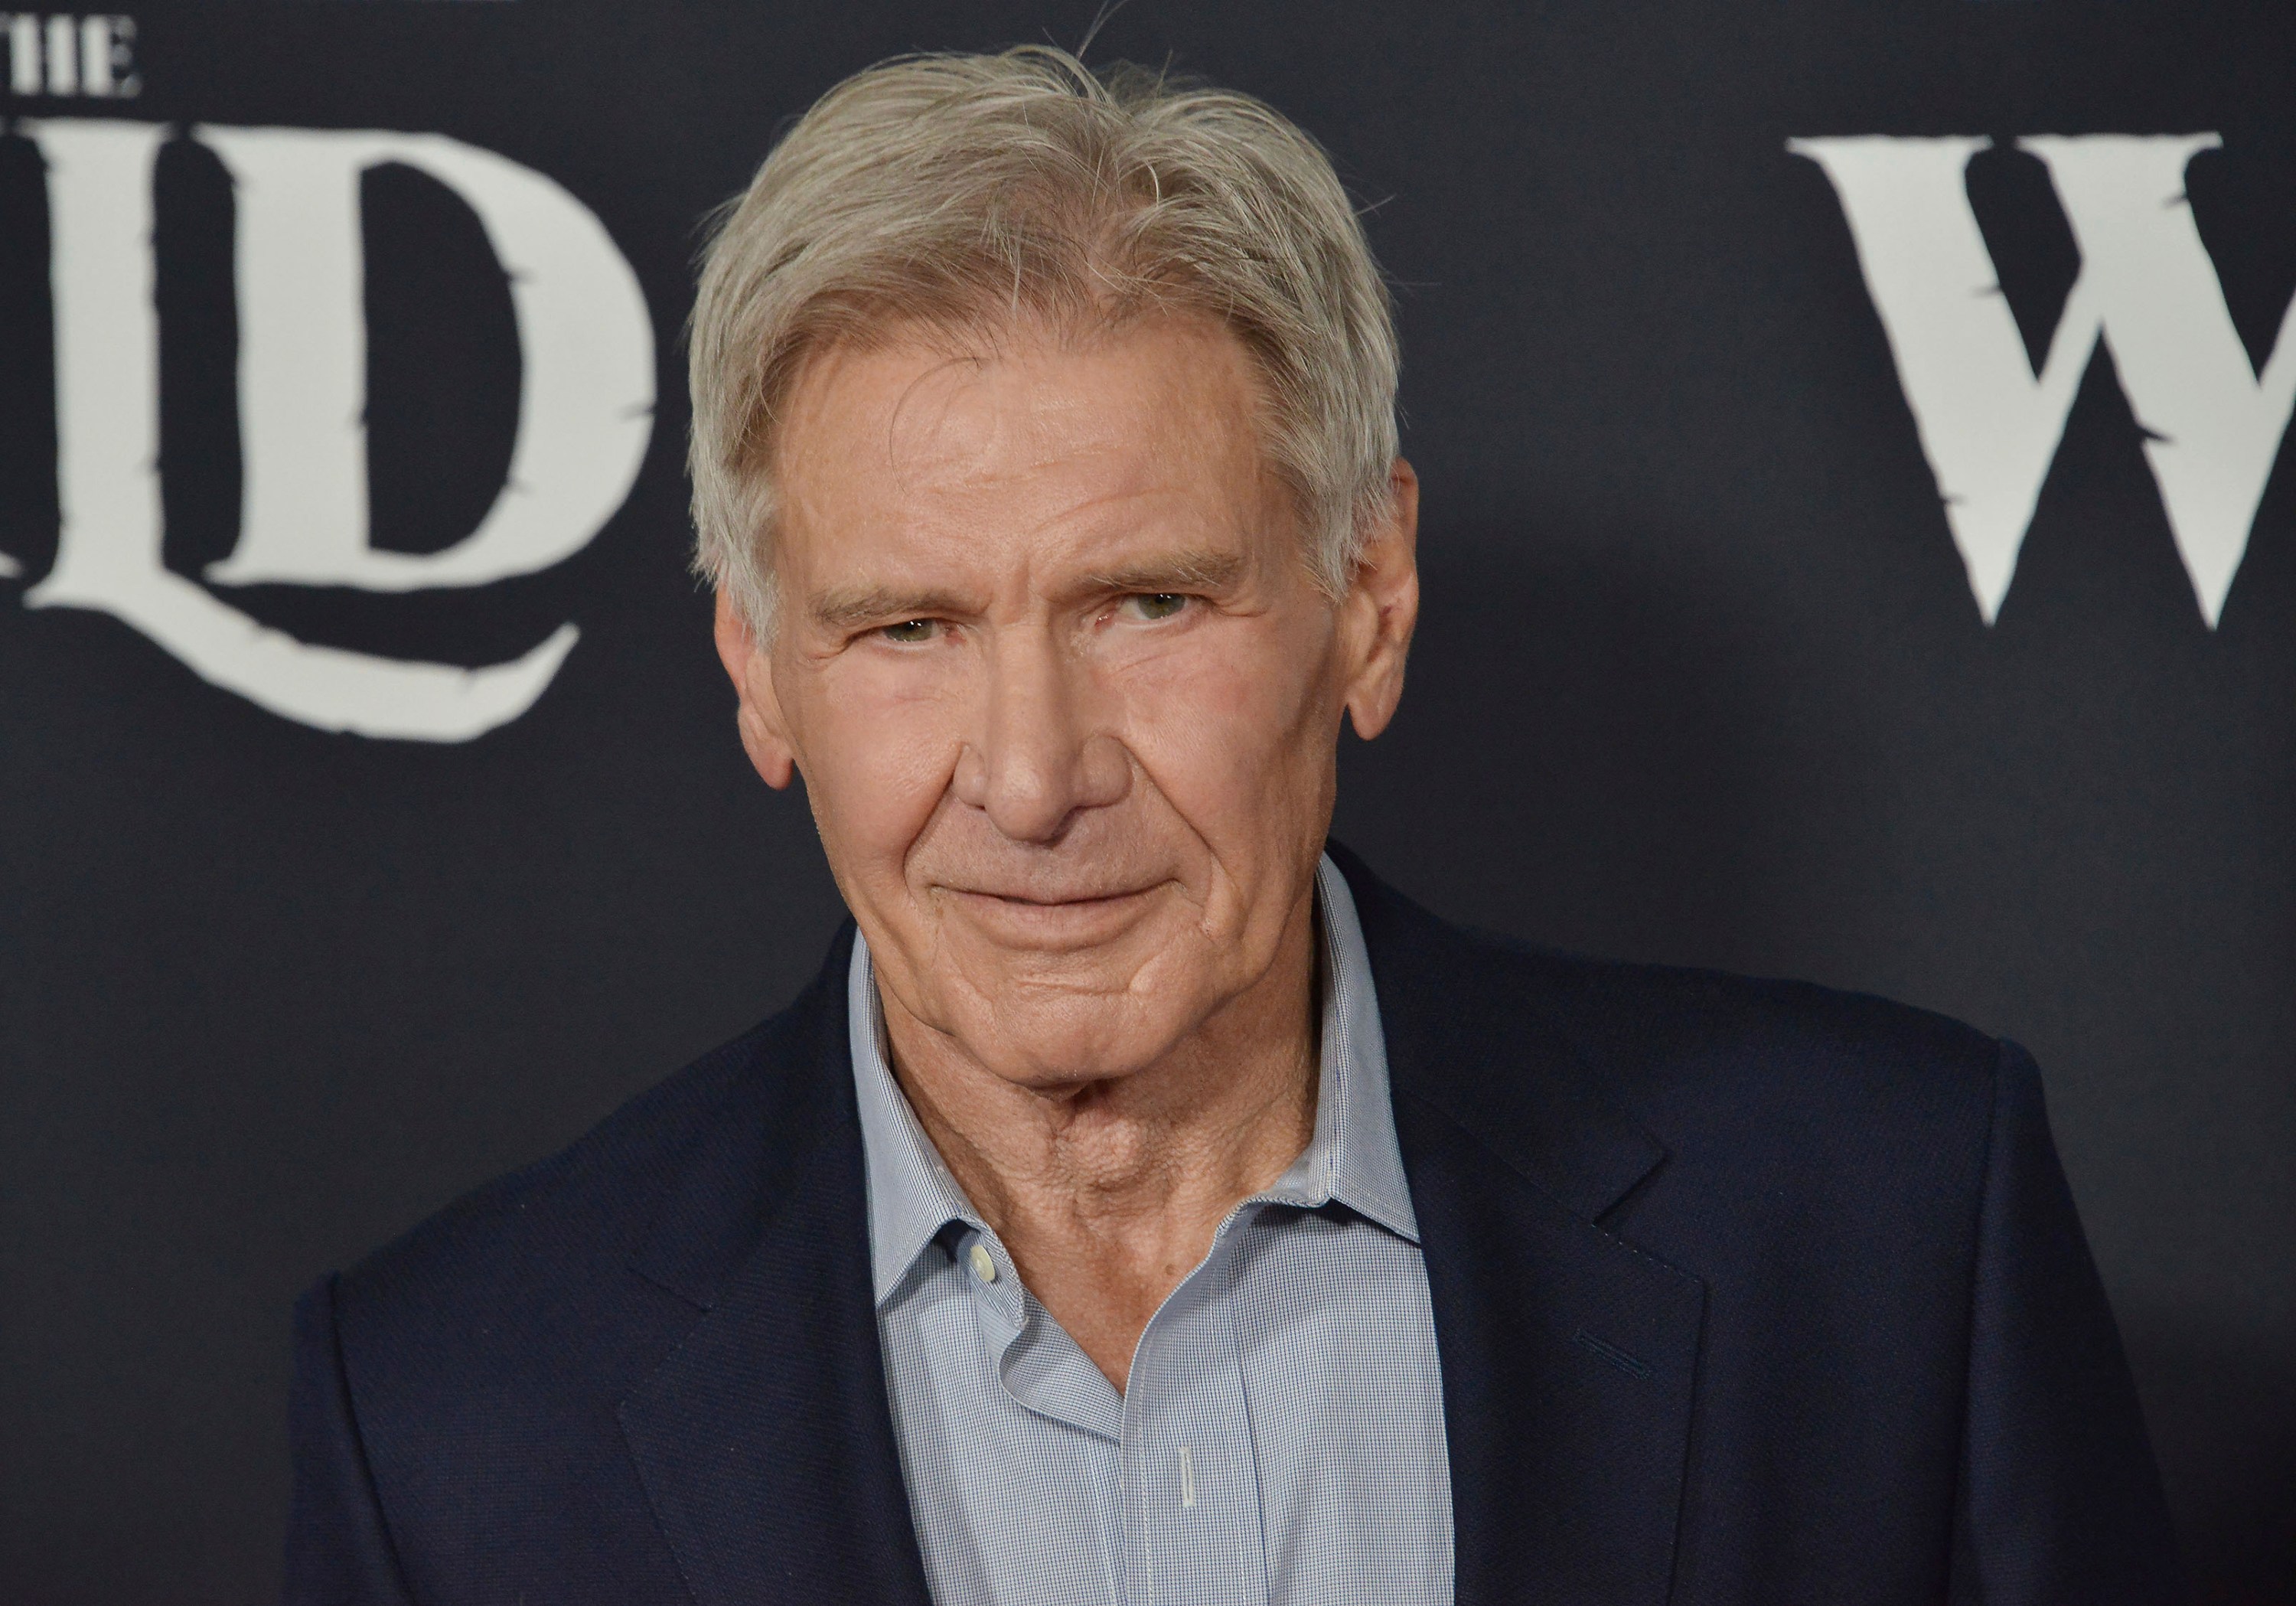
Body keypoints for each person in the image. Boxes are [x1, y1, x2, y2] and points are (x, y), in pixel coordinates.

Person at [282, 47, 2182, 1606]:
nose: (1031, 779)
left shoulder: (1890, 1237)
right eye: (909, 630)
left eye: (1150, 604)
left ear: (1369, 596)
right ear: (759, 672)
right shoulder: (454, 1419)